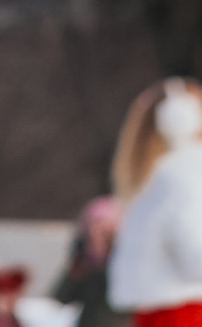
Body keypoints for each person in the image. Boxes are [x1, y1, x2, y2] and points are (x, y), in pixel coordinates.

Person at [111, 78, 202, 324]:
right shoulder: (182, 174)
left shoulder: (154, 176)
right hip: (188, 313)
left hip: (158, 312)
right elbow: (195, 258)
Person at [56, 196, 124, 327]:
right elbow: (63, 297)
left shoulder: (126, 259)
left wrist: (108, 253)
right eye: (96, 223)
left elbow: (121, 296)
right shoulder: (84, 257)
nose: (99, 230)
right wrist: (85, 260)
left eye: (105, 224)